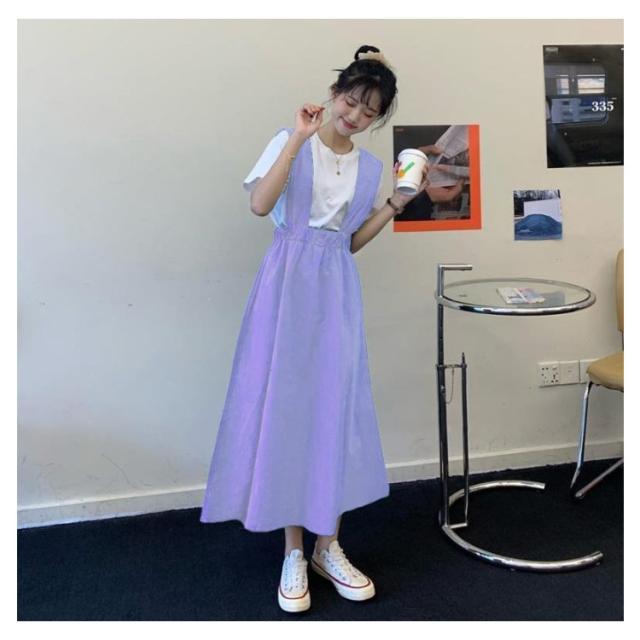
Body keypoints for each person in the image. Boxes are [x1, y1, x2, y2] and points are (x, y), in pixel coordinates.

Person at [199, 45, 428, 614]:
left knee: (334, 411)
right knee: (287, 410)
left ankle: (329, 545)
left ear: (378, 118)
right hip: (285, 290)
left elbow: (347, 243)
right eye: (351, 101)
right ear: (334, 95)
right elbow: (260, 206)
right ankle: (294, 551)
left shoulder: (369, 169)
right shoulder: (291, 140)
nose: (355, 116)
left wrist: (396, 204)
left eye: (369, 111)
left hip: (336, 291)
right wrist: (299, 139)